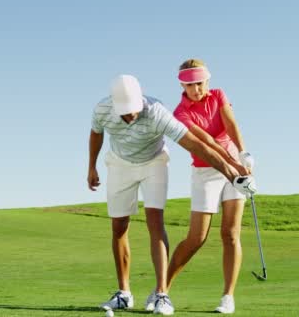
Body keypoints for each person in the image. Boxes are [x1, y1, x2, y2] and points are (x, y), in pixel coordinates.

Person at [88, 74, 255, 315]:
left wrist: (232, 174)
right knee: (118, 226)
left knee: (155, 221)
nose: (131, 115)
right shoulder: (102, 109)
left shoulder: (157, 111)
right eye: (125, 111)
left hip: (154, 162)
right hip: (119, 164)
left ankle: (162, 295)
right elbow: (96, 133)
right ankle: (124, 293)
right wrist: (91, 166)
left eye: (134, 109)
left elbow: (197, 145)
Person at [166, 59, 255, 314]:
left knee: (230, 234)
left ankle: (228, 297)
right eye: (190, 85)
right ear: (183, 85)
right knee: (197, 238)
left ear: (208, 81)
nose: (196, 89)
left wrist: (244, 153)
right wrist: (233, 166)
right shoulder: (180, 113)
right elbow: (207, 143)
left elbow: (230, 124)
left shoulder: (218, 95)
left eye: (200, 83)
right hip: (206, 171)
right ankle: (163, 289)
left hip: (236, 166)